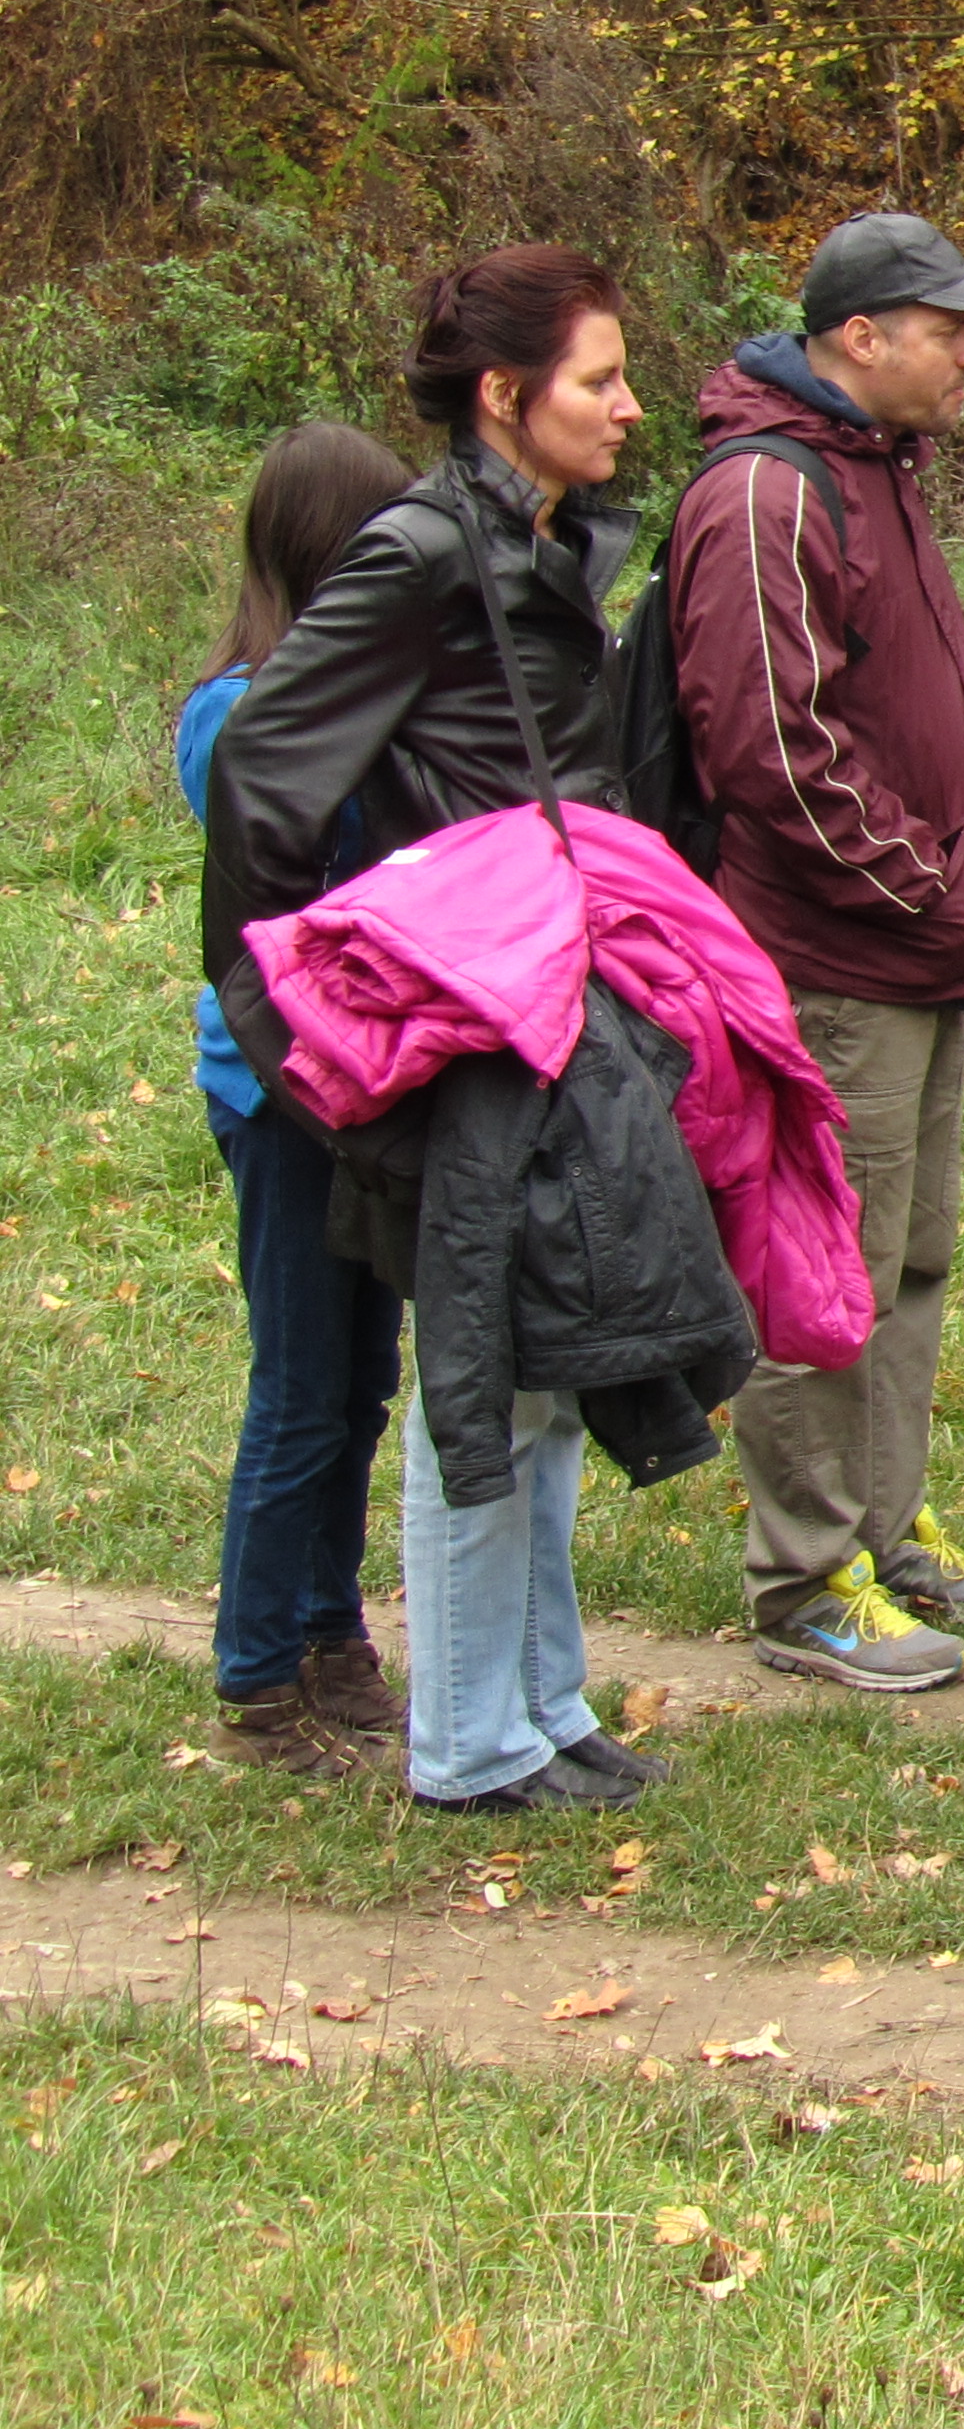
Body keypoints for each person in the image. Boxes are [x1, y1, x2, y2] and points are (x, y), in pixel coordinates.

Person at [200, 245, 676, 1816]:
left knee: (549, 1362)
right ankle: (471, 1746)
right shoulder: (417, 553)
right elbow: (263, 779)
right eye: (600, 379)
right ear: (505, 395)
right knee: (481, 1370)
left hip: (565, 1007)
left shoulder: (539, 544)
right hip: (474, 1025)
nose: (628, 405)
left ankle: (542, 1706)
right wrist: (322, 1020)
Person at [671, 212, 964, 1693]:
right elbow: (770, 744)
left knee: (907, 1259)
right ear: (860, 337)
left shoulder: (870, 470)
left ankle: (884, 1534)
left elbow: (867, 682)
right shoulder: (769, 490)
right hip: (839, 960)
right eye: (951, 330)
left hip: (918, 946)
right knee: (823, 1276)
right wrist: (924, 878)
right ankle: (806, 1580)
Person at [175, 419, 415, 1775]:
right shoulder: (239, 712)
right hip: (280, 1091)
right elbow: (293, 888)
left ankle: (333, 1635)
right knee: (302, 1388)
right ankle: (259, 1677)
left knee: (361, 1382)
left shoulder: (345, 698)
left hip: (369, 1082)